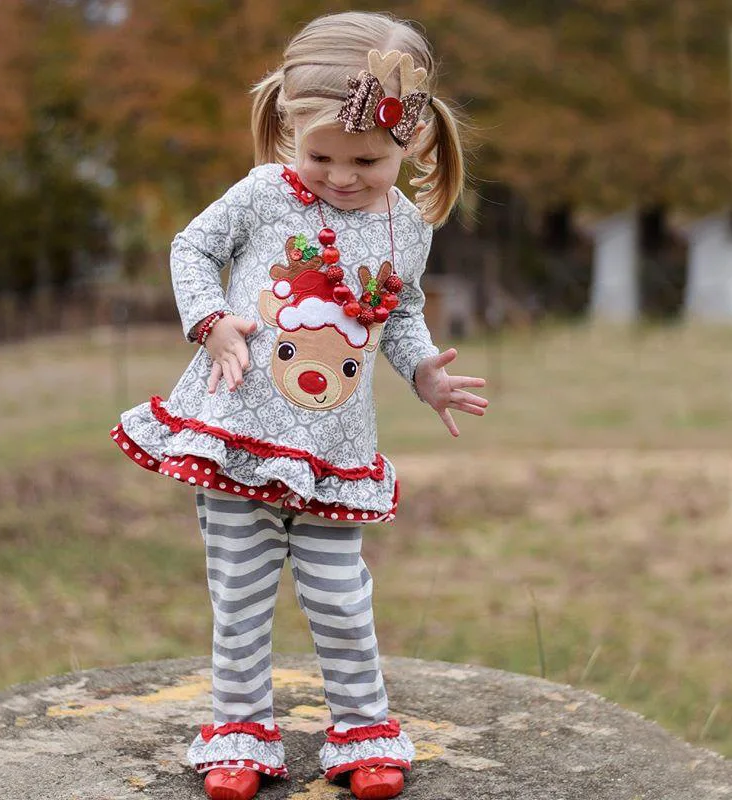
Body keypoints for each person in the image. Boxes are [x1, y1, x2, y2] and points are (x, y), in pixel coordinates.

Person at [111, 11, 488, 800]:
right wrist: (211, 322)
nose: (343, 177)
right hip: (238, 433)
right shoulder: (263, 195)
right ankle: (241, 730)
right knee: (241, 597)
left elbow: (402, 311)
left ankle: (362, 728)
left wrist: (423, 372)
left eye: (367, 161)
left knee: (341, 597)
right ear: (288, 130)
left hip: (334, 449)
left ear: (409, 144)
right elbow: (192, 249)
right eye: (322, 156)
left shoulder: (404, 225)